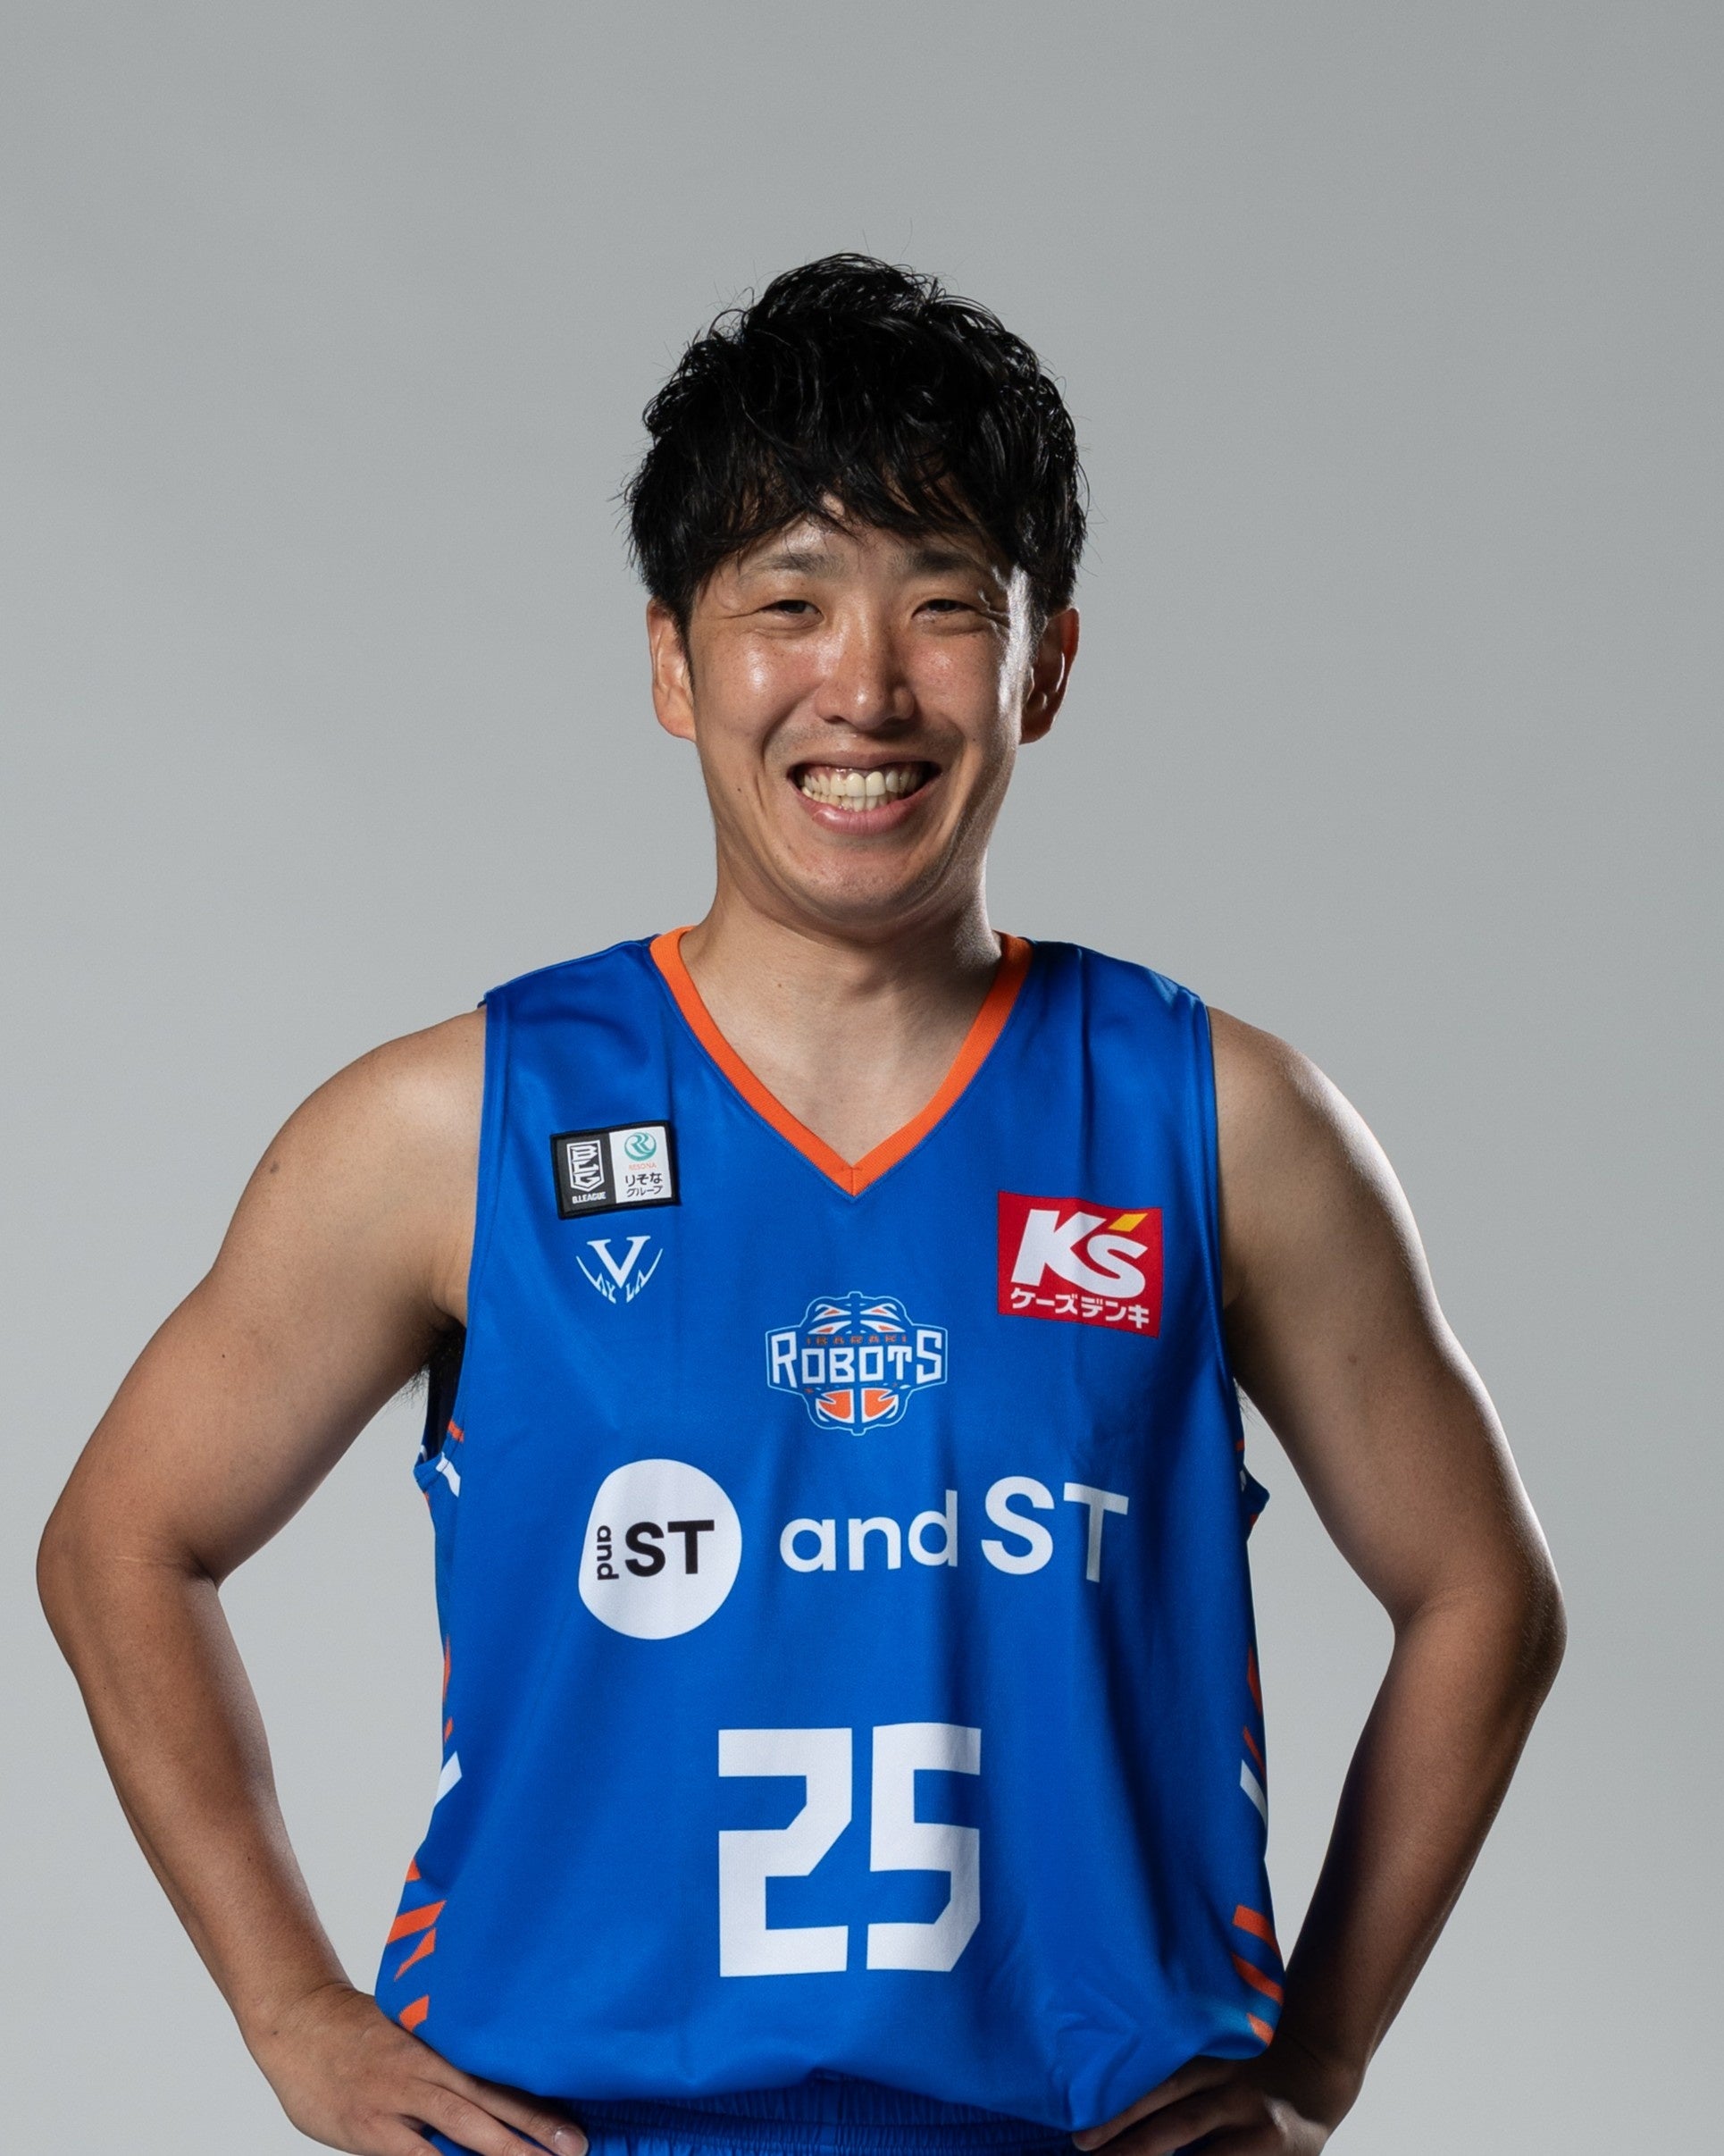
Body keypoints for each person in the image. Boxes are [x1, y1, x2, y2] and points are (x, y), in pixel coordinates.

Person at [38, 256, 1564, 2156]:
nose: (864, 687)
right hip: (585, 2126)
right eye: (788, 604)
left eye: (944, 606)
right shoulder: (455, 1124)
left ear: (1043, 666)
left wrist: (1313, 2059)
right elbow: (120, 1541)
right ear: (673, 662)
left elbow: (1482, 1594)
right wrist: (292, 2008)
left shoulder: (1216, 1121)